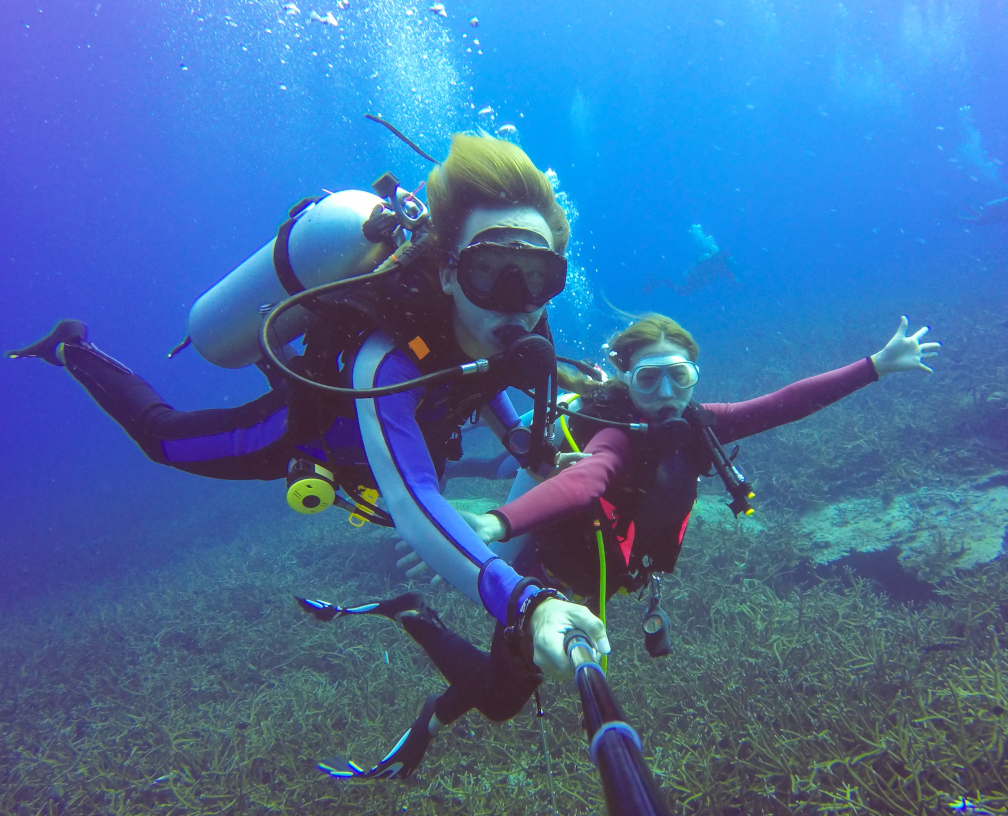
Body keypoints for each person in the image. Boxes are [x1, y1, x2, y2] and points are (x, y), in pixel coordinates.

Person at [6, 133, 609, 686]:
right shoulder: (385, 362)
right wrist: (524, 601)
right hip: (311, 436)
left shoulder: (517, 324)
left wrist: (517, 435)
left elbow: (483, 374)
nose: (515, 301)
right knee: (162, 440)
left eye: (536, 276)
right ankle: (73, 347)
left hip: (407, 435)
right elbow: (412, 499)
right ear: (449, 273)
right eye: (488, 271)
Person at [315, 311, 939, 780]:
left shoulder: (703, 426)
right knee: (506, 698)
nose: (666, 393)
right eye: (649, 378)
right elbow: (587, 479)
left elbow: (783, 404)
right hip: (551, 579)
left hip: (603, 579)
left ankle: (430, 698)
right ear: (624, 379)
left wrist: (875, 366)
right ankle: (412, 619)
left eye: (680, 375)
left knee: (511, 682)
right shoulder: (614, 434)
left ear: (695, 375)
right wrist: (501, 524)